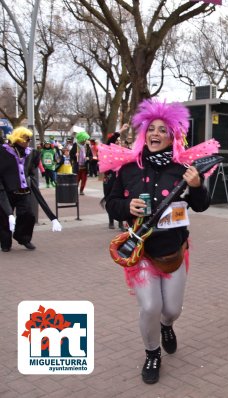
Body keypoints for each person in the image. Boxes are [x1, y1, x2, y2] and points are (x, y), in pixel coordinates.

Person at [103, 100, 216, 385]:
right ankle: (152, 354)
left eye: (162, 130)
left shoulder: (184, 169)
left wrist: (196, 186)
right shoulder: (129, 168)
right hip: (140, 251)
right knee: (150, 307)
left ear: (172, 136)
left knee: (171, 310)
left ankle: (167, 326)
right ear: (144, 133)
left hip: (173, 251)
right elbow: (111, 203)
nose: (155, 134)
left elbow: (201, 206)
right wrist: (127, 206)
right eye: (151, 128)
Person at [0, 127, 62, 252]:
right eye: (25, 138)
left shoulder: (31, 153)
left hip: (23, 191)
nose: (28, 141)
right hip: (6, 191)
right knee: (5, 218)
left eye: (29, 138)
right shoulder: (3, 151)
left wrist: (53, 218)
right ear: (17, 138)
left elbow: (31, 171)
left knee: (28, 215)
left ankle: (23, 238)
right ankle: (5, 243)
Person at [101, 124, 128, 230]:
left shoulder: (123, 151)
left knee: (121, 199)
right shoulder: (108, 150)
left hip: (119, 178)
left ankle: (121, 222)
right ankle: (111, 221)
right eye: (116, 141)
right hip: (109, 178)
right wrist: (121, 130)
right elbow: (111, 140)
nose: (117, 142)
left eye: (119, 141)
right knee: (109, 199)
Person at [70, 131, 91, 195]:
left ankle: (81, 190)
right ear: (81, 139)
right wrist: (75, 155)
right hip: (77, 166)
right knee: (76, 180)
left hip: (85, 166)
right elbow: (71, 155)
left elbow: (91, 155)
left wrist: (89, 158)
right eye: (84, 139)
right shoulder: (75, 146)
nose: (85, 141)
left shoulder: (87, 146)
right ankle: (74, 190)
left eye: (86, 139)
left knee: (84, 180)